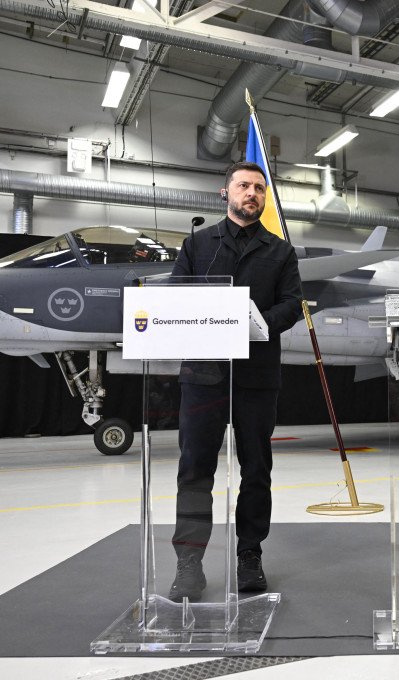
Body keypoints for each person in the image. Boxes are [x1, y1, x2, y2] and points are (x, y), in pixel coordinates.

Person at [168, 161, 302, 601]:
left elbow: (293, 304)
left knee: (256, 469)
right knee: (195, 469)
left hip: (256, 376)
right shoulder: (197, 244)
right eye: (244, 186)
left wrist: (255, 324)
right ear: (225, 193)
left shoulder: (280, 251)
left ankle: (250, 555)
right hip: (203, 375)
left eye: (259, 188)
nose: (252, 194)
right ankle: (189, 563)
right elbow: (176, 295)